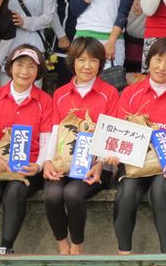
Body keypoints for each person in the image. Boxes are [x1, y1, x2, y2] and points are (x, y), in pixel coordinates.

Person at [112, 38, 166, 254]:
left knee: (160, 192)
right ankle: (124, 255)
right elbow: (119, 130)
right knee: (127, 194)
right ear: (149, 60)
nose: (162, 67)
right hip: (133, 162)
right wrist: (112, 154)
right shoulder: (130, 93)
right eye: (158, 60)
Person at [0, 45, 53, 254]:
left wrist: (38, 166)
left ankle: (5, 249)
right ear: (10, 67)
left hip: (28, 166)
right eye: (20, 65)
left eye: (31, 66)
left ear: (38, 71)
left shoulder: (45, 101)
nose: (24, 71)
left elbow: (47, 141)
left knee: (15, 190)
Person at [43, 37, 118, 255]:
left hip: (95, 166)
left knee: (73, 193)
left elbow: (112, 132)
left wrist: (101, 163)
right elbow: (55, 131)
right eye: (82, 60)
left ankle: (77, 244)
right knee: (53, 195)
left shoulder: (109, 93)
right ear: (73, 61)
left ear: (100, 64)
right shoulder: (60, 94)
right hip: (63, 162)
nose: (87, 66)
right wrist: (48, 161)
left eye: (94, 60)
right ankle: (62, 243)